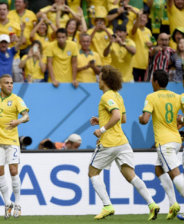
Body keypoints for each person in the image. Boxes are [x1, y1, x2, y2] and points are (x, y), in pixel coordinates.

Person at [89, 65, 159, 221]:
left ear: (105, 80)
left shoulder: (106, 96)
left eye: (99, 77)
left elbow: (115, 115)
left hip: (108, 142)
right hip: (123, 142)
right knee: (131, 175)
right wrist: (101, 119)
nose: (98, 80)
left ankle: (107, 206)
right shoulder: (118, 96)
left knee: (92, 173)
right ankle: (152, 204)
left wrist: (101, 129)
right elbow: (123, 118)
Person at [139, 70, 184, 220]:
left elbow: (145, 120)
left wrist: (140, 117)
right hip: (176, 140)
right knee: (159, 169)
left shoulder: (151, 97)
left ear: (155, 82)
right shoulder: (177, 96)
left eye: (152, 80)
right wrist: (180, 120)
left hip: (164, 143)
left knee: (174, 173)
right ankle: (173, 204)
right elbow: (181, 118)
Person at [0, 74, 29, 219]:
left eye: (11, 83)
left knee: (13, 170)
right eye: (7, 83)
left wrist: (19, 121)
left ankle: (18, 203)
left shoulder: (16, 99)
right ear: (0, 85)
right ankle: (7, 203)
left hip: (12, 142)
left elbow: (26, 116)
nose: (10, 85)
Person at [0, 16, 25, 82]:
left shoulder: (11, 52)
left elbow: (20, 43)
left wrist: (22, 31)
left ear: (9, 43)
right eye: (2, 42)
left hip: (6, 84)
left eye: (5, 42)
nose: (3, 44)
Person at [131, 11, 153, 82]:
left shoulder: (148, 31)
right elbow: (133, 31)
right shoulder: (135, 29)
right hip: (134, 64)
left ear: (147, 20)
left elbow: (152, 44)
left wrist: (151, 44)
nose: (142, 19)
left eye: (144, 17)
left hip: (145, 65)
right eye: (140, 17)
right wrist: (138, 17)